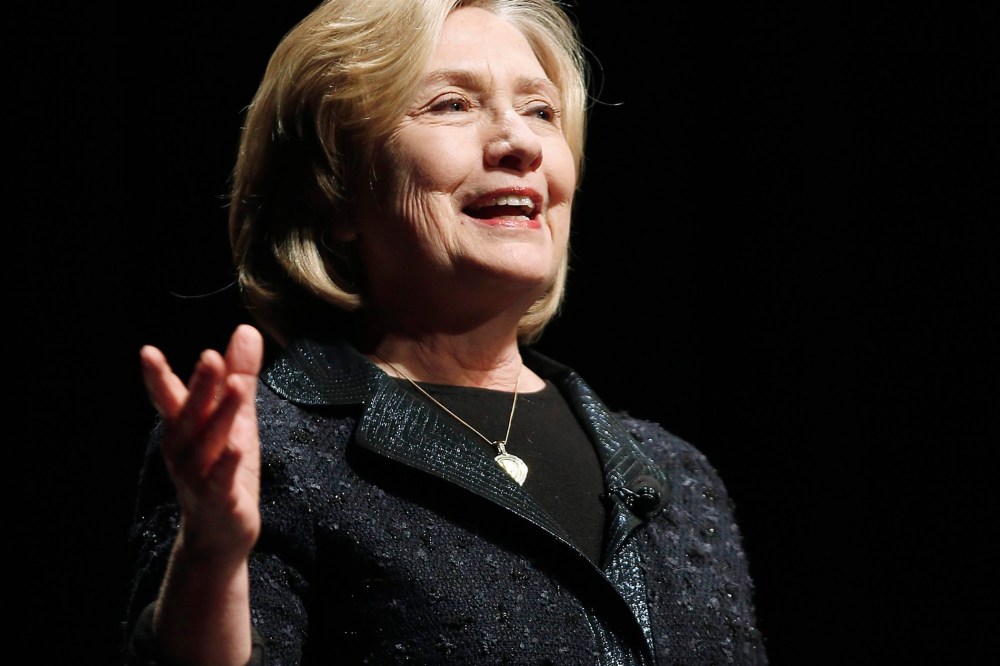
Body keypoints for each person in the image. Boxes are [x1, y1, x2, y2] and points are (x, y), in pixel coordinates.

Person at [122, 0, 769, 664]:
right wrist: (210, 558)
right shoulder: (263, 451)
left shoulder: (678, 475)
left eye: (541, 112)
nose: (521, 144)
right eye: (452, 104)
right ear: (335, 188)